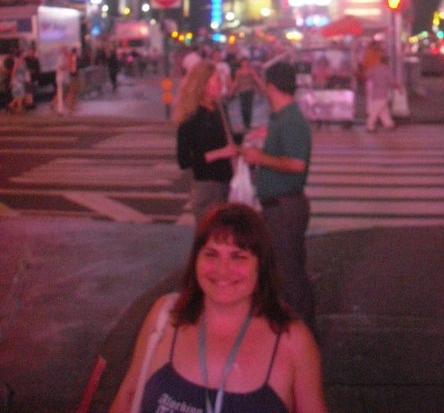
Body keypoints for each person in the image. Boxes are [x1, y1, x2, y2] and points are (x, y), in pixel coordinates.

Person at [110, 203, 327, 413]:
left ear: (261, 266)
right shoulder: (165, 316)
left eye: (238, 257)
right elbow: (128, 395)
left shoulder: (293, 341)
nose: (222, 270)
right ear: (195, 259)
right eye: (211, 254)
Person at [240, 61, 316, 332]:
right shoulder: (282, 116)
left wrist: (260, 157)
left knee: (289, 273)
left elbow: (297, 164)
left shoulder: (291, 120)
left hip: (285, 207)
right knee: (284, 268)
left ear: (272, 86)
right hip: (279, 206)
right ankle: (292, 327)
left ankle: (303, 332)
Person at [175, 60, 238, 223]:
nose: (221, 83)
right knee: (210, 233)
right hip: (207, 187)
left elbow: (228, 140)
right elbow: (183, 160)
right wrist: (218, 154)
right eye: (217, 79)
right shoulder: (191, 117)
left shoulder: (219, 108)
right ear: (204, 85)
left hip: (227, 184)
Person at [230, 56, 265, 130]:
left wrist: (262, 88)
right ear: (241, 63)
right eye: (243, 62)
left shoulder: (251, 70)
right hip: (242, 91)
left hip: (250, 91)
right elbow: (236, 82)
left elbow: (256, 79)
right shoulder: (238, 71)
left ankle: (248, 124)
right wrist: (231, 91)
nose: (245, 63)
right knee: (243, 107)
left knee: (249, 107)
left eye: (246, 62)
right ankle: (246, 124)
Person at [364, 54, 395, 132]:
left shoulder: (375, 68)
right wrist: (398, 87)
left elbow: (366, 75)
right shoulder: (387, 70)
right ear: (387, 61)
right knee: (375, 111)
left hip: (375, 92)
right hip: (383, 93)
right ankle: (370, 126)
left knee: (383, 110)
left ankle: (389, 124)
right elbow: (392, 81)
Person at [50, 46, 69, 115]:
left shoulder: (64, 58)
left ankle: (61, 108)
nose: (67, 51)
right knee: (60, 94)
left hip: (64, 78)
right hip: (60, 78)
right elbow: (60, 67)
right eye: (66, 50)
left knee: (62, 94)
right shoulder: (61, 58)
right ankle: (60, 110)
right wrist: (67, 66)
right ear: (63, 51)